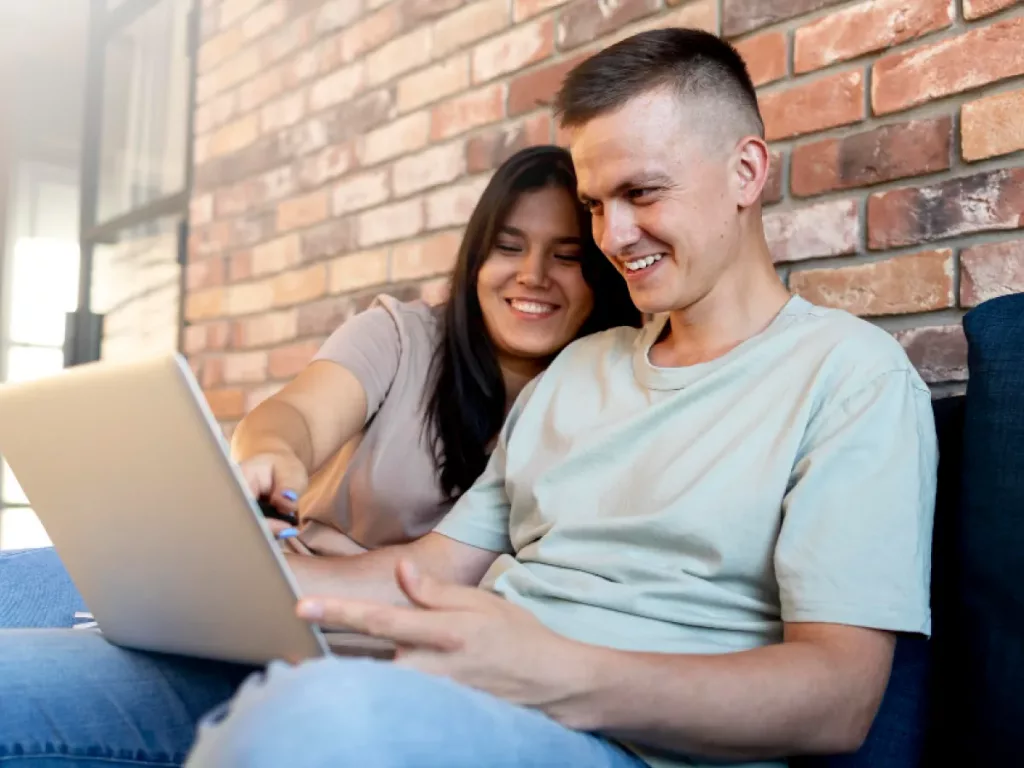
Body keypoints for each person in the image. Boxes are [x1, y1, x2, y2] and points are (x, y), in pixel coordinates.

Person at [0, 29, 936, 768]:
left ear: (746, 172)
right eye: (595, 203)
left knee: (317, 720)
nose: (614, 236)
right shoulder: (581, 369)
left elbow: (840, 698)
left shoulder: (851, 377)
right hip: (438, 692)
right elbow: (426, 572)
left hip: (617, 741)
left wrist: (556, 672)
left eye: (642, 193)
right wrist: (195, 579)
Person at [0, 144, 639, 627]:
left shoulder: (604, 396)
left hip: (390, 645)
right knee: (21, 588)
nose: (532, 275)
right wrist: (273, 452)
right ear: (476, 260)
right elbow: (299, 415)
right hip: (277, 587)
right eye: (508, 247)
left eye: (566, 256)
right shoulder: (403, 336)